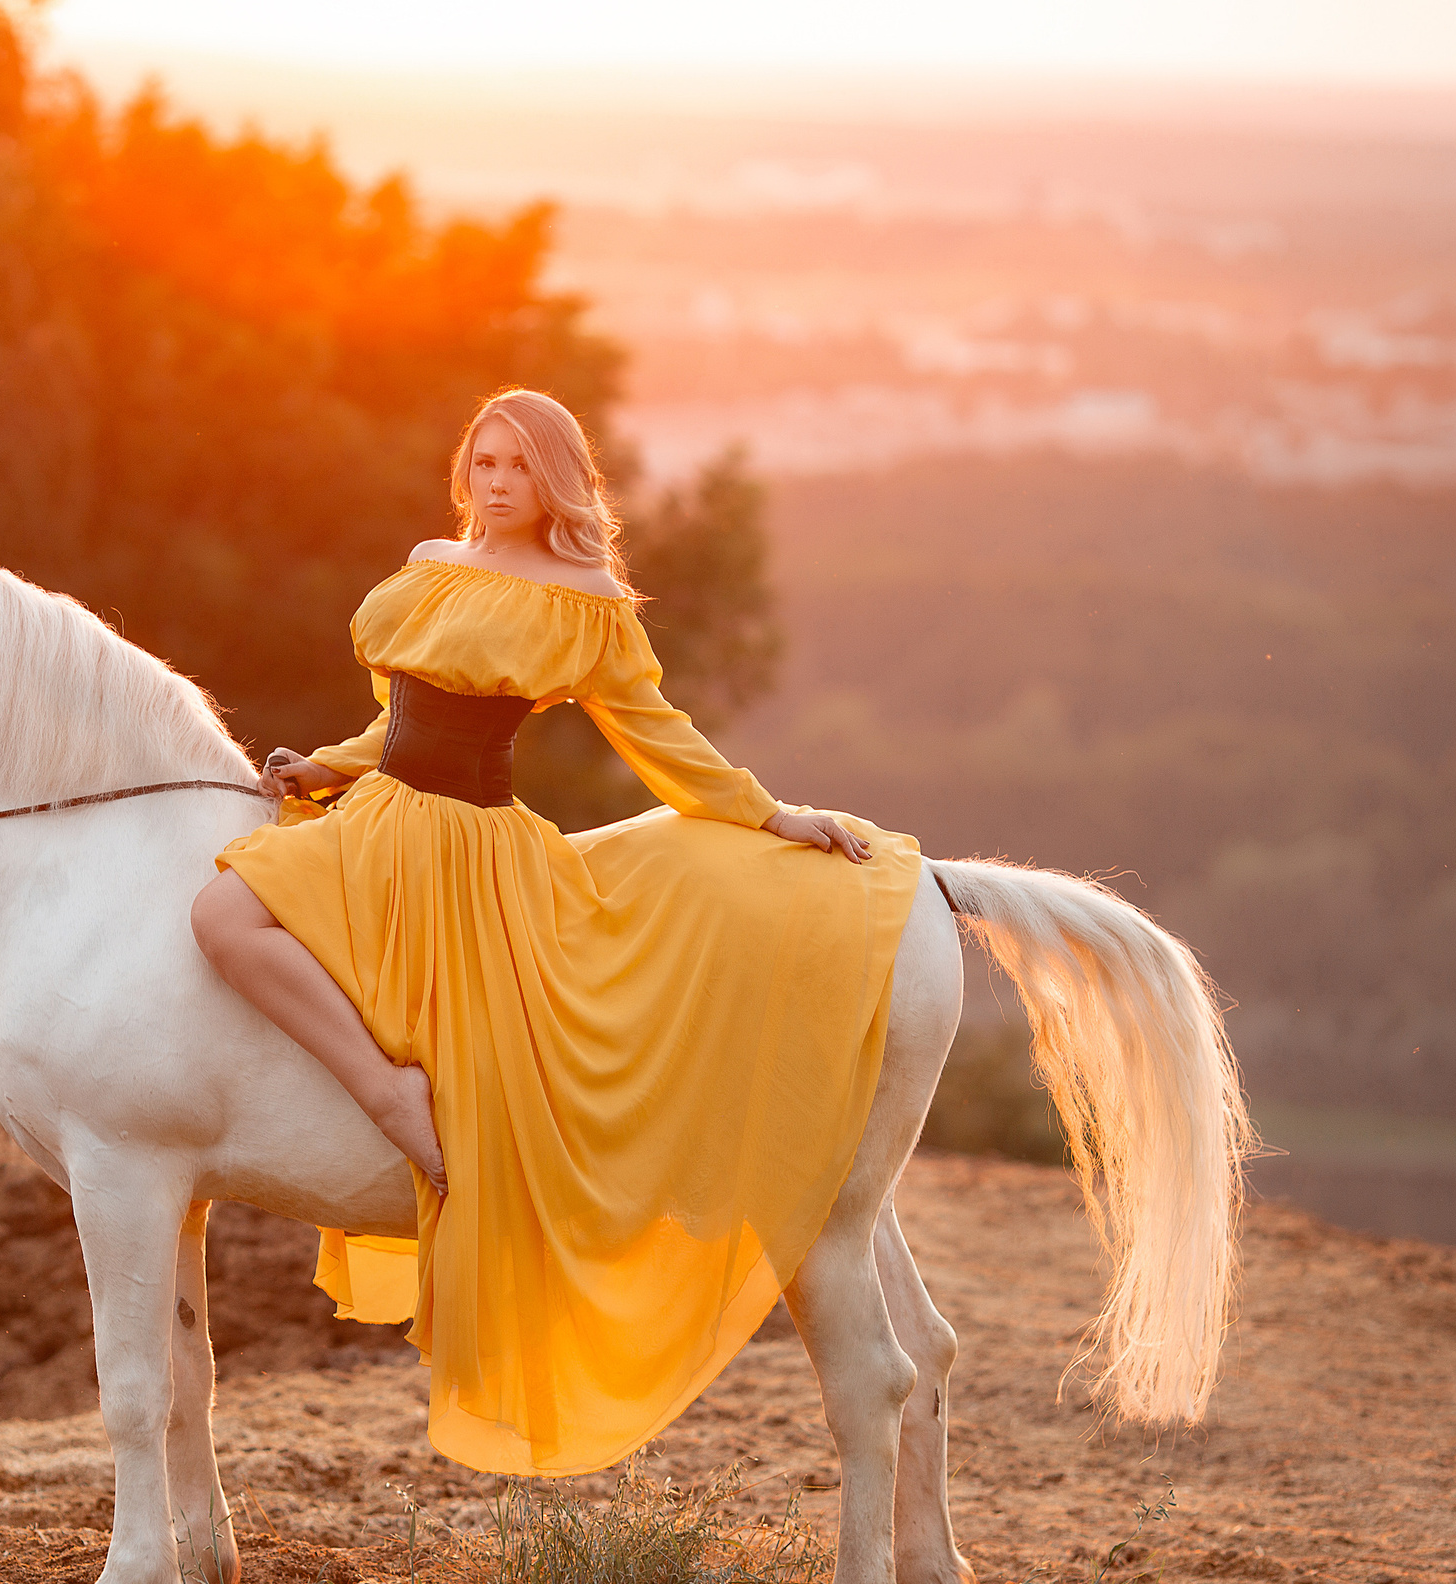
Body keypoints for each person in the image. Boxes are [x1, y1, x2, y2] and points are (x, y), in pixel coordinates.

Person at [192, 388, 924, 1476]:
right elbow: (399, 712)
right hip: (377, 813)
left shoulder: (585, 598)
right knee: (221, 912)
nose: (495, 482)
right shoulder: (430, 559)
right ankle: (384, 1087)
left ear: (556, 482)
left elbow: (658, 738)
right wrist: (330, 766)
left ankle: (399, 1099)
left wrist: (772, 814)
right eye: (483, 460)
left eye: (520, 468)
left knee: (243, 920)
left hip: (471, 846)